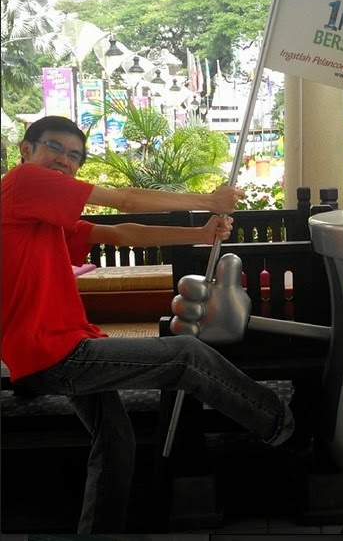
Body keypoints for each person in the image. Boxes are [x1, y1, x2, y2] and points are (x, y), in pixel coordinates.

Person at [1, 116, 296, 533]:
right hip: (54, 352)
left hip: (65, 345)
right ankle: (284, 427)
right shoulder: (22, 182)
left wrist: (201, 232)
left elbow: (121, 234)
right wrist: (210, 200)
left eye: (75, 156)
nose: (64, 160)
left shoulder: (40, 215)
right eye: (54, 147)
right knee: (186, 356)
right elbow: (124, 200)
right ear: (26, 150)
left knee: (115, 441)